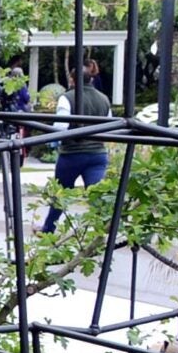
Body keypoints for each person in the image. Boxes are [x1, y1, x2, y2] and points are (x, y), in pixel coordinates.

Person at [40, 57, 111, 232]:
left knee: (61, 194)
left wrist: (49, 138)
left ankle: (49, 230)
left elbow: (61, 126)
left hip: (72, 154)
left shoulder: (67, 98)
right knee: (96, 197)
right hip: (97, 154)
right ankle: (102, 232)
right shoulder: (104, 99)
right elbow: (109, 126)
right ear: (91, 79)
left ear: (72, 80)